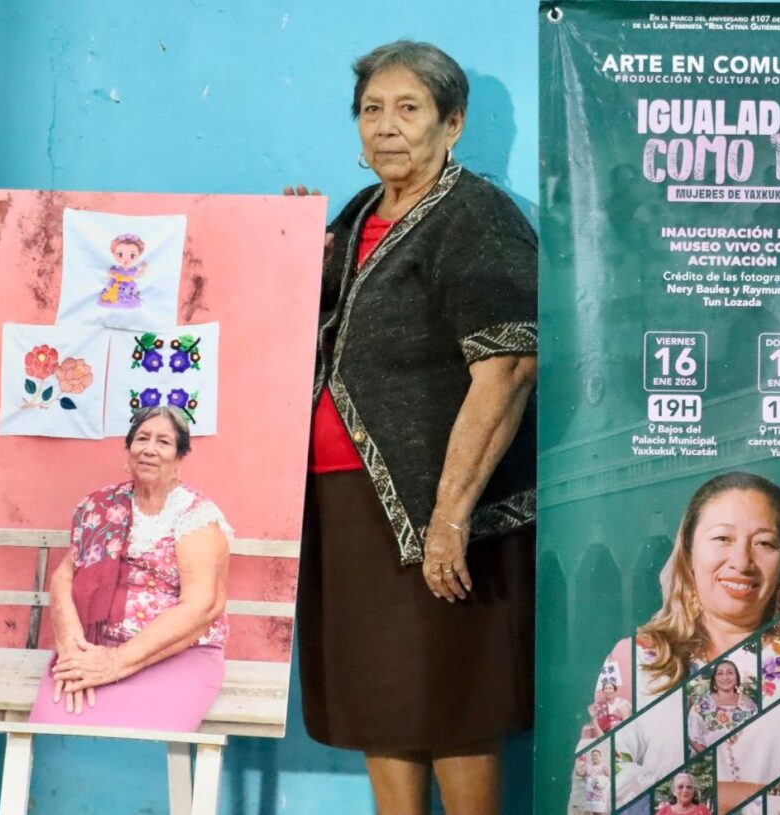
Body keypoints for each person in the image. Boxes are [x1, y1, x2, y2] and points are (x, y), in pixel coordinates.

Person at [289, 40, 537, 815]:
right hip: (347, 505)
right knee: (382, 700)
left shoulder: (475, 216)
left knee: (455, 700)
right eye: (372, 109)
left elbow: (509, 367)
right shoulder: (354, 216)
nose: (386, 126)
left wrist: (450, 517)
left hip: (438, 511)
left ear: (452, 123)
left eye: (408, 108)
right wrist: (289, 258)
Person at [569, 471, 780, 815]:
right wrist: (741, 794)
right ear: (688, 551)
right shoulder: (637, 660)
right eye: (722, 538)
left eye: (764, 543)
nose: (741, 562)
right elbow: (598, 791)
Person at [29, 406, 231, 730]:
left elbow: (202, 606)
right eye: (142, 438)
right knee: (52, 723)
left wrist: (116, 662)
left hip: (176, 654)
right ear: (129, 449)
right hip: (94, 646)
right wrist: (71, 647)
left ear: (179, 457)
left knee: (146, 733)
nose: (150, 449)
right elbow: (65, 576)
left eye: (163, 442)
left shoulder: (194, 516)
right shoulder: (101, 506)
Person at [687, 659, 758, 754]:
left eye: (730, 673)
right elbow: (693, 738)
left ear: (737, 677)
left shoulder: (748, 703)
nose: (725, 677)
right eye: (720, 673)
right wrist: (714, 759)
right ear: (714, 679)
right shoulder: (701, 704)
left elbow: (755, 735)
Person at [574, 749, 611, 814]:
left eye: (596, 755)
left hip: (600, 794)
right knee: (594, 812)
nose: (594, 757)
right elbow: (580, 774)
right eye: (593, 755)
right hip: (591, 794)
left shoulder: (604, 766)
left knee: (600, 812)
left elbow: (610, 776)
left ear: (600, 756)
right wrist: (577, 762)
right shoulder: (588, 766)